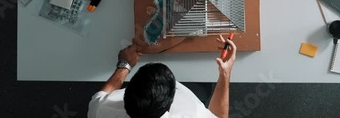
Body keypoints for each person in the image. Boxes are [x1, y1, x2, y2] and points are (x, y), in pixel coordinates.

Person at [87, 35, 236, 118]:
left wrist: (124, 66)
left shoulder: (104, 110)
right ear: (170, 106)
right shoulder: (191, 113)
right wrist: (225, 73)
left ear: (127, 95)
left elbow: (102, 96)